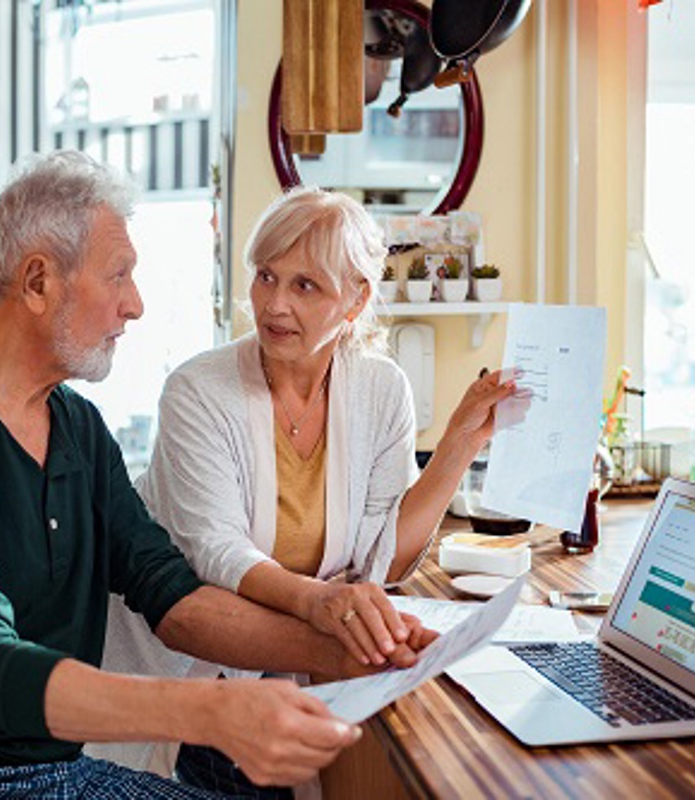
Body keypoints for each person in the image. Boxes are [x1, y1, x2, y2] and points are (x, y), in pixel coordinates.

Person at [0, 153, 436, 799]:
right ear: (37, 283)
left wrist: (346, 642)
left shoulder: (79, 431)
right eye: (118, 276)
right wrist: (210, 709)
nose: (136, 304)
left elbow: (170, 594)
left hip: (36, 771)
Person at [95, 187, 520, 796]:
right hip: (187, 671)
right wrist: (321, 603)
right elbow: (216, 552)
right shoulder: (197, 390)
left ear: (356, 299)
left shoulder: (380, 390)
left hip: (282, 670)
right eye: (267, 276)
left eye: (306, 286)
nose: (274, 305)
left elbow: (386, 558)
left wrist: (458, 444)